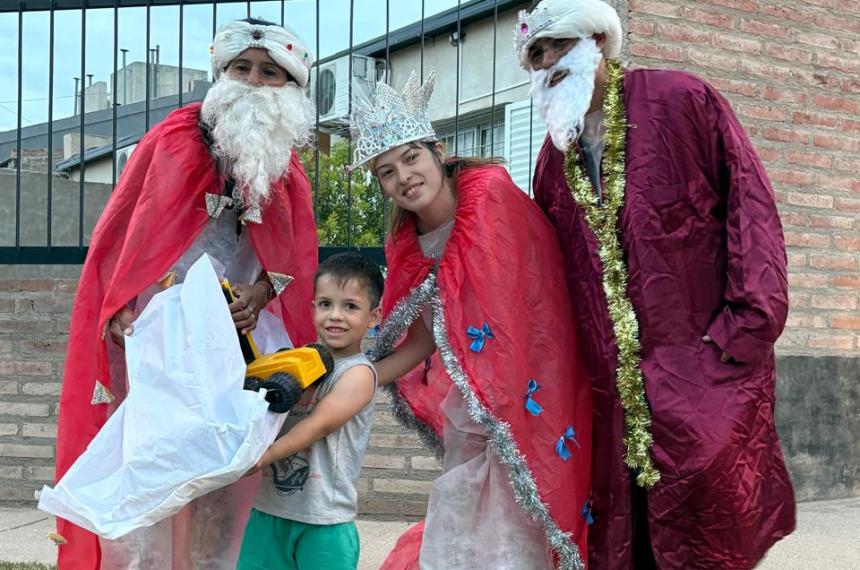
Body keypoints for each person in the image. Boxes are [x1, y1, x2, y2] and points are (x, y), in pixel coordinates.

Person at [517, 1, 795, 568]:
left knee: (710, 530)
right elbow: (541, 269)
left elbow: (751, 205)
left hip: (702, 370)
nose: (546, 62)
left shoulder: (680, 100)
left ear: (596, 39)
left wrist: (743, 329)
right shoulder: (555, 157)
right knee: (624, 538)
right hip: (606, 390)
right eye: (535, 55)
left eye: (557, 46)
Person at [53, 18, 318, 570]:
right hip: (162, 337)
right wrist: (124, 308)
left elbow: (293, 258)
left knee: (223, 480)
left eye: (270, 72)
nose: (252, 80)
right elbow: (126, 234)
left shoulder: (287, 168)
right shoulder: (172, 139)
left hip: (238, 342)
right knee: (155, 469)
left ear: (290, 87)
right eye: (241, 68)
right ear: (220, 74)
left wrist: (261, 294)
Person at [356, 72, 593, 570]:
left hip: (533, 391)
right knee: (465, 528)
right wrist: (362, 373)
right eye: (386, 171)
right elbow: (424, 337)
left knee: (522, 522)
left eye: (410, 157)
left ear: (436, 150)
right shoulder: (407, 243)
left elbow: (534, 299)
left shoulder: (490, 195)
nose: (403, 177)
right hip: (473, 403)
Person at [236, 252, 382, 570]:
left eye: (351, 307)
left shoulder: (358, 373)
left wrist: (261, 457)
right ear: (313, 308)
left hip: (324, 521)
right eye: (326, 304)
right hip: (268, 512)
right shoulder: (296, 362)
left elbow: (319, 425)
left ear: (373, 317)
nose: (336, 316)